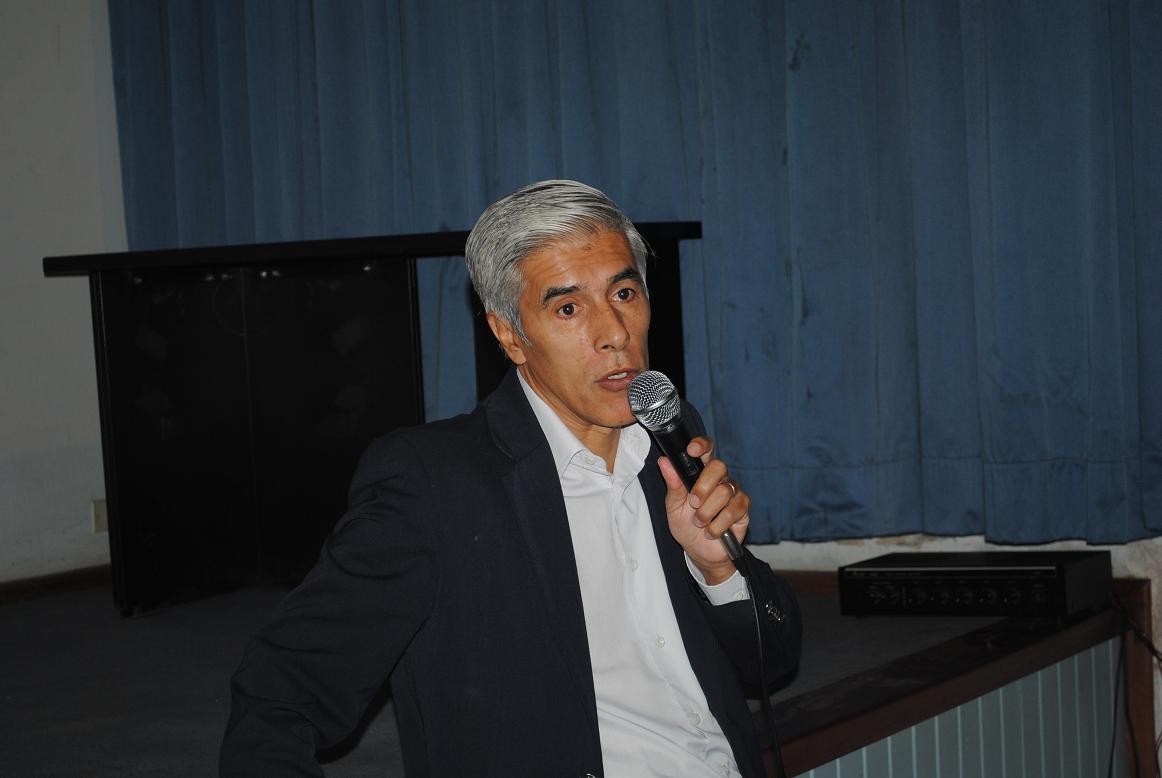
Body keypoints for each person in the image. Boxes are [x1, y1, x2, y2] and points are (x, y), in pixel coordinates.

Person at [220, 180, 801, 777]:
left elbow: (774, 660)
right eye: (568, 308)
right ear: (509, 335)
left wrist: (717, 570)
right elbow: (282, 690)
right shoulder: (435, 484)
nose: (614, 332)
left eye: (624, 293)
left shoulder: (671, 438)